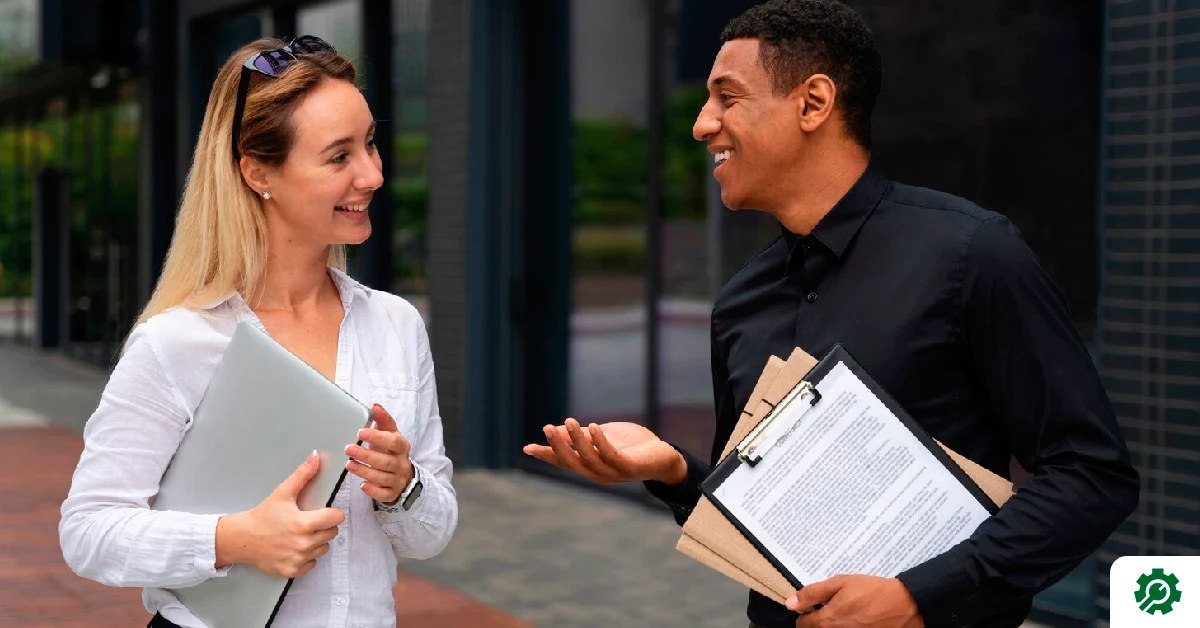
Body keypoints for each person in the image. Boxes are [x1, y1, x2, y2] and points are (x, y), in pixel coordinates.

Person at [524, 1, 1139, 627]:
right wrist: (676, 473)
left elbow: (1093, 476)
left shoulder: (970, 255)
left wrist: (919, 596)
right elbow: (766, 515)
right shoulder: (741, 303)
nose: (701, 125)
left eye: (726, 97)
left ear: (813, 103)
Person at [58, 36, 457, 628]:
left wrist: (404, 487)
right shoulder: (179, 343)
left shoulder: (395, 325)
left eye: (370, 143)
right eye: (338, 156)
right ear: (257, 171)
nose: (373, 174)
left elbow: (432, 534)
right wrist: (232, 540)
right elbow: (87, 531)